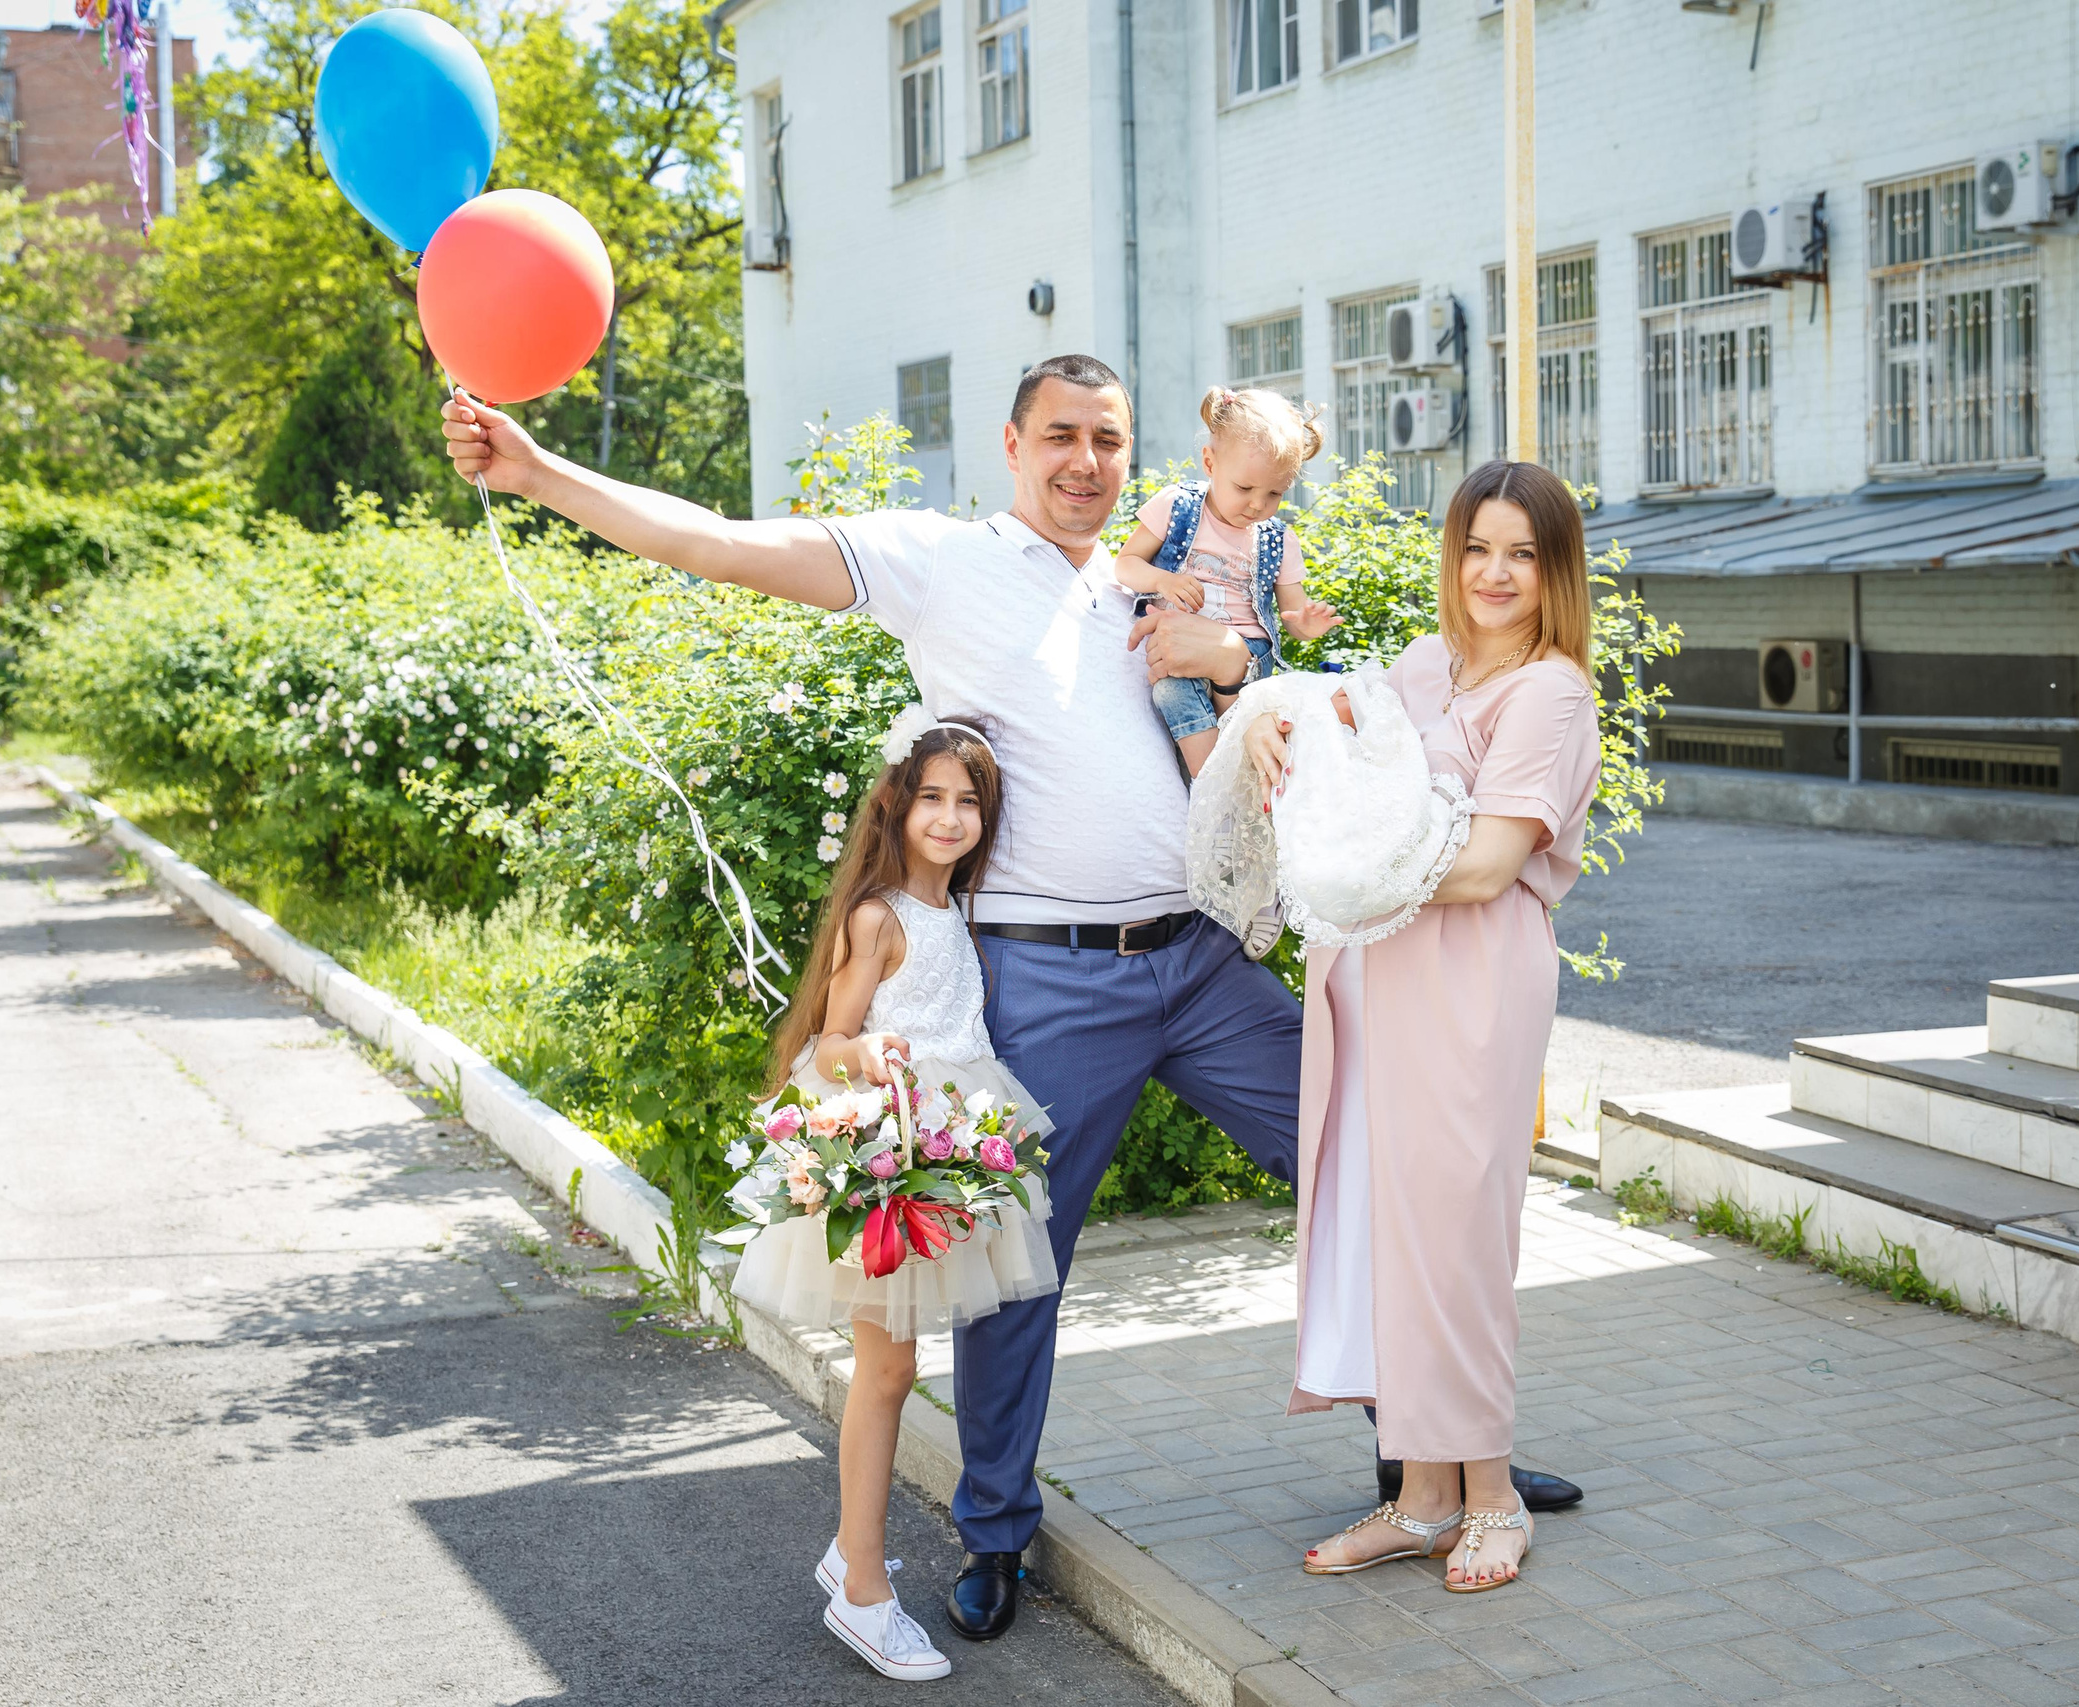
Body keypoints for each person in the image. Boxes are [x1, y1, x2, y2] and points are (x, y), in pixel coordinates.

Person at [438, 363, 1580, 1639]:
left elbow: (1281, 710)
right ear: (1012, 443)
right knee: (1016, 1260)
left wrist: (1237, 662)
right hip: (1048, 975)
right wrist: (537, 473)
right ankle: (994, 1531)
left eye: (1109, 440)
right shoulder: (941, 561)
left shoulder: (1157, 574)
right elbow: (719, 543)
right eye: (1060, 437)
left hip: (1201, 957)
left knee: (1364, 1169)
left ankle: (1440, 1458)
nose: (1085, 462)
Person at [1243, 461, 1604, 1593]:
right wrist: (1271, 734)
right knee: (1387, 1231)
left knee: (1455, 1238)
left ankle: (1493, 1497)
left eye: (1522, 554)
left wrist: (1339, 859)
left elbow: (1489, 865)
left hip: (1470, 981)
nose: (1494, 573)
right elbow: (1329, 747)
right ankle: (1423, 1500)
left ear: (1554, 572)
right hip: (1376, 977)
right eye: (1477, 548)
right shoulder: (1421, 665)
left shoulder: (1548, 693)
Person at [733, 711, 1056, 1681]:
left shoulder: (954, 910)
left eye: (969, 802)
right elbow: (830, 1043)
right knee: (886, 1369)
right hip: (892, 1154)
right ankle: (864, 1591)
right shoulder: (878, 916)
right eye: (933, 798)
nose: (950, 818)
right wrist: (866, 1050)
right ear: (898, 805)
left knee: (898, 1364)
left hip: (949, 1150)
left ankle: (852, 1553)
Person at [1112, 386, 1341, 778]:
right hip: (1178, 648)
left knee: (1243, 716)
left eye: (1275, 493)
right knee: (1171, 690)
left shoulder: (1279, 540)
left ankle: (1218, 785)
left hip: (1249, 656)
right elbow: (1125, 564)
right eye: (1244, 488)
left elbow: (1292, 614)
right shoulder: (1177, 506)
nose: (1257, 504)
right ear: (1210, 462)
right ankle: (1213, 784)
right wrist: (1163, 580)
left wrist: (1305, 624)